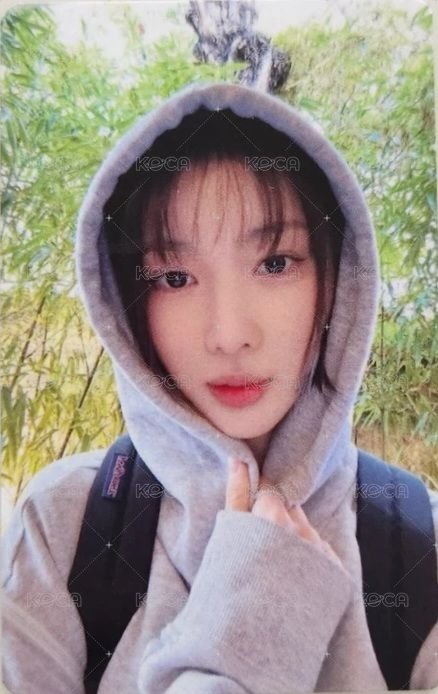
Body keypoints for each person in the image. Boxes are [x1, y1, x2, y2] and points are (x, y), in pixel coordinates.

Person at [2, 81, 437, 693]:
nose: (230, 335)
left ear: (336, 282)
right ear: (126, 304)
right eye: (174, 277)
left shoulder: (417, 546)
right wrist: (248, 639)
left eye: (275, 263)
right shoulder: (63, 528)